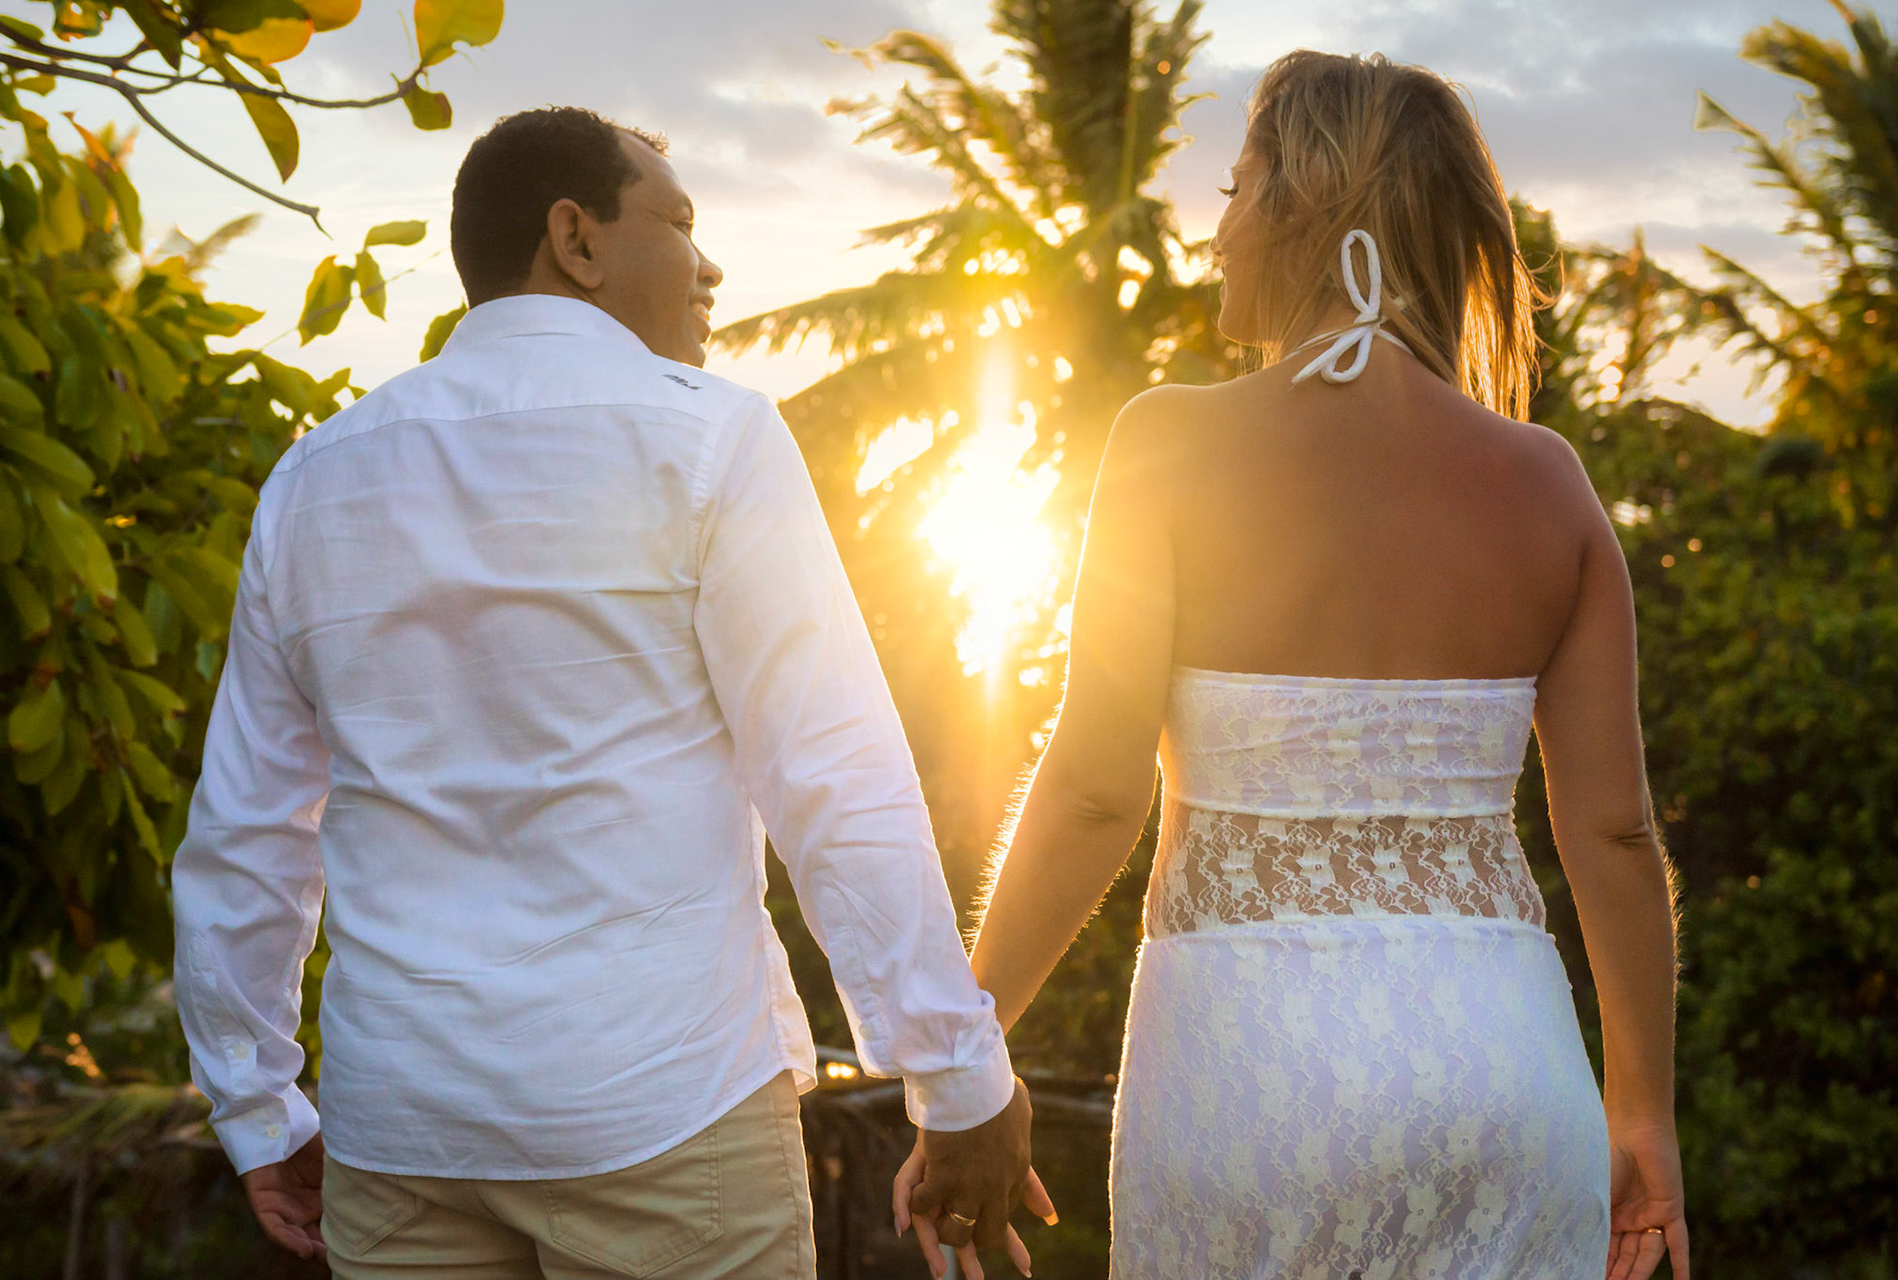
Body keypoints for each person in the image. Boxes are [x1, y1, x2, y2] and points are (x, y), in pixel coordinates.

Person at [171, 106, 1045, 1279]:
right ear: (576, 239)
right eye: (680, 224)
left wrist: (256, 1102)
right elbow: (832, 775)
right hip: (663, 1108)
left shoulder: (314, 476)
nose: (710, 266)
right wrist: (958, 1074)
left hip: (403, 1131)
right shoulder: (713, 438)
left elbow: (248, 827)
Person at [900, 50, 1689, 1280]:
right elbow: (1616, 834)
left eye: (1234, 189)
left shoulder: (1167, 445)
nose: (1215, 232)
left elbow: (1098, 793)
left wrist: (968, 1053)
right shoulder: (1549, 482)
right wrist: (1643, 1113)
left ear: (1306, 201)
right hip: (1506, 1077)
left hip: (1246, 1085)